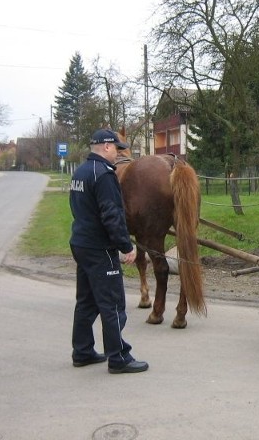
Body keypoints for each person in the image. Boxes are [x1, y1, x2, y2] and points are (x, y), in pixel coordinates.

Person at [69, 128, 148, 374]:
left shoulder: (80, 172)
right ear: (105, 147)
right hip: (99, 248)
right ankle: (118, 357)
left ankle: (82, 351)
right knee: (113, 304)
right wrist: (126, 246)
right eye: (116, 148)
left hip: (80, 243)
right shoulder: (104, 175)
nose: (118, 152)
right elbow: (112, 215)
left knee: (86, 301)